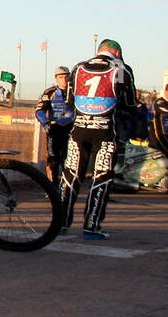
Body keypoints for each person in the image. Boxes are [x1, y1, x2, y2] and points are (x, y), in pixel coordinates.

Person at [59, 39, 138, 239]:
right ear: (117, 53)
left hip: (78, 130)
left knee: (70, 175)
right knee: (101, 177)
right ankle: (91, 226)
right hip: (105, 133)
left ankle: (60, 222)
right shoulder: (121, 69)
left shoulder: (78, 68)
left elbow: (69, 102)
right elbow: (130, 104)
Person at [35, 66, 74, 183]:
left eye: (66, 77)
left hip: (72, 130)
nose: (64, 80)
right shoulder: (50, 92)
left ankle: (67, 187)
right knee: (53, 160)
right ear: (56, 78)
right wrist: (45, 123)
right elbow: (39, 110)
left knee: (70, 161)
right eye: (61, 77)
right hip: (54, 129)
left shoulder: (76, 92)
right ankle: (52, 187)